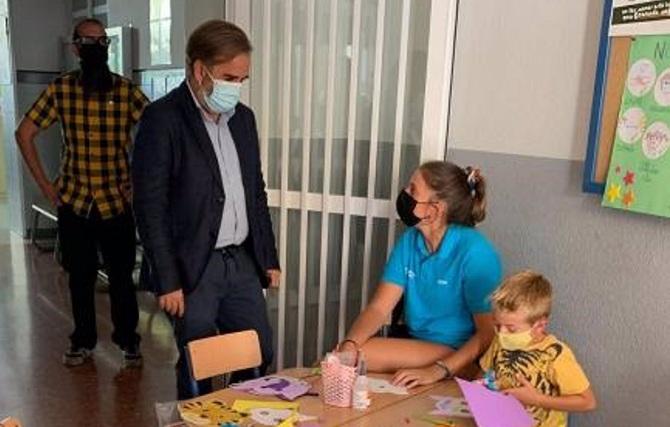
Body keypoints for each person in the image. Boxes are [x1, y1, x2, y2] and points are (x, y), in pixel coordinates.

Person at [132, 20, 280, 399]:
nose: (236, 87)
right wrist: (167, 279)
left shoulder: (243, 120)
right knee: (198, 359)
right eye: (230, 77)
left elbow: (255, 194)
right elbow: (150, 206)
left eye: (242, 80)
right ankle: (194, 418)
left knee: (258, 350)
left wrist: (268, 257)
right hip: (191, 264)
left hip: (241, 260)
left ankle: (240, 416)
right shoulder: (162, 119)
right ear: (200, 70)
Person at [15, 18, 148, 367]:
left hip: (116, 204)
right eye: (88, 42)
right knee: (80, 278)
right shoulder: (60, 90)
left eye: (101, 42)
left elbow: (156, 135)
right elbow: (24, 133)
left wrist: (137, 180)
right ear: (75, 48)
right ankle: (83, 340)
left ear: (107, 48)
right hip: (74, 202)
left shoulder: (126, 91)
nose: (95, 48)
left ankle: (128, 341)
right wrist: (46, 186)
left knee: (121, 279)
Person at [338, 161, 502, 387]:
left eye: (413, 190)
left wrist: (439, 370)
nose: (405, 193)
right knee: (348, 356)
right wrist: (349, 343)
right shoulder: (410, 241)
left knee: (357, 358)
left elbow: (487, 333)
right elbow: (379, 308)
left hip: (459, 352)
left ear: (435, 210)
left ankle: (462, 372)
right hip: (420, 346)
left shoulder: (475, 252)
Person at [479, 270, 596, 426]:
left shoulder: (556, 355)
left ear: (539, 325)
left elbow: (588, 402)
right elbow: (484, 372)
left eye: (511, 329)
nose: (501, 333)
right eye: (497, 325)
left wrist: (538, 400)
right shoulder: (500, 341)